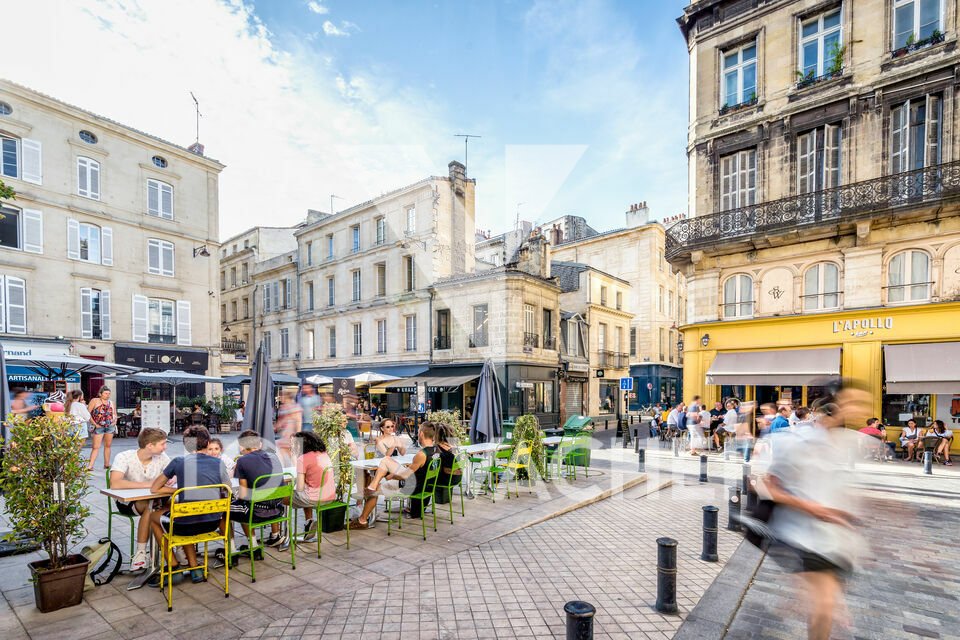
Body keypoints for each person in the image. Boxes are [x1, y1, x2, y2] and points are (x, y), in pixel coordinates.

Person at [759, 389, 866, 640]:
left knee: (826, 604)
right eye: (854, 403)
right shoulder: (796, 440)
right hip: (803, 535)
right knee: (824, 605)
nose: (860, 409)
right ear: (832, 408)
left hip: (837, 540)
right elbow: (767, 486)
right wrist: (814, 509)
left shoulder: (849, 443)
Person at [148, 426, 230, 586]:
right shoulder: (218, 463)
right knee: (184, 516)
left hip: (185, 525)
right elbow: (226, 487)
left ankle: (173, 565)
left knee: (154, 517)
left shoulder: (179, 461)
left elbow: (154, 488)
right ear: (208, 443)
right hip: (212, 523)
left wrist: (178, 490)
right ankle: (195, 568)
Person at [352, 422, 441, 529]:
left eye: (418, 432)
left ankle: (362, 520)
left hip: (411, 488)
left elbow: (405, 476)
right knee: (386, 461)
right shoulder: (437, 450)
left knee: (376, 489)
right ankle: (371, 487)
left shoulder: (421, 454)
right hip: (424, 486)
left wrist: (392, 476)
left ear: (421, 434)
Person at [111, 428, 171, 571]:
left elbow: (172, 477)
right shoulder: (124, 457)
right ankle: (141, 553)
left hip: (157, 500)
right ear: (150, 445)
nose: (165, 447)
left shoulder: (163, 458)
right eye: (162, 444)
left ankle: (175, 550)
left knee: (176, 503)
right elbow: (115, 483)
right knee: (151, 506)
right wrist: (150, 484)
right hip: (127, 502)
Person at [230, 430, 287, 551]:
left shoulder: (242, 461)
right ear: (260, 444)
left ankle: (249, 545)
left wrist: (235, 494)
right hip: (278, 510)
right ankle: (275, 535)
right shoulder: (273, 456)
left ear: (241, 447)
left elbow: (244, 495)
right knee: (267, 495)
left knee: (227, 508)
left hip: (256, 513)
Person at [289, 431, 335, 542]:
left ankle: (280, 534)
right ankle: (308, 521)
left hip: (314, 499)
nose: (291, 446)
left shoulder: (302, 459)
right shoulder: (324, 454)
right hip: (329, 496)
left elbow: (299, 487)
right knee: (307, 490)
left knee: (279, 499)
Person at [87, 386, 116, 471]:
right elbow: (87, 413)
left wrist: (115, 421)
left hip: (110, 426)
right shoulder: (95, 401)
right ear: (100, 394)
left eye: (109, 393)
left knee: (108, 445)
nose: (108, 395)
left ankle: (106, 464)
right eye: (106, 393)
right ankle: (90, 465)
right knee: (96, 446)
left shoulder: (111, 402)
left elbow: (114, 413)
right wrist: (94, 424)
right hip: (98, 426)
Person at [275, 389, 302, 466]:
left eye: (282, 396)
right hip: (285, 435)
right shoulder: (284, 407)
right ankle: (286, 473)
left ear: (286, 397)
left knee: (293, 458)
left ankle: (293, 474)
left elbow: (298, 422)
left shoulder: (295, 407)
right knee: (285, 455)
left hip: (292, 435)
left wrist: (297, 436)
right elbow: (281, 422)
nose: (280, 398)